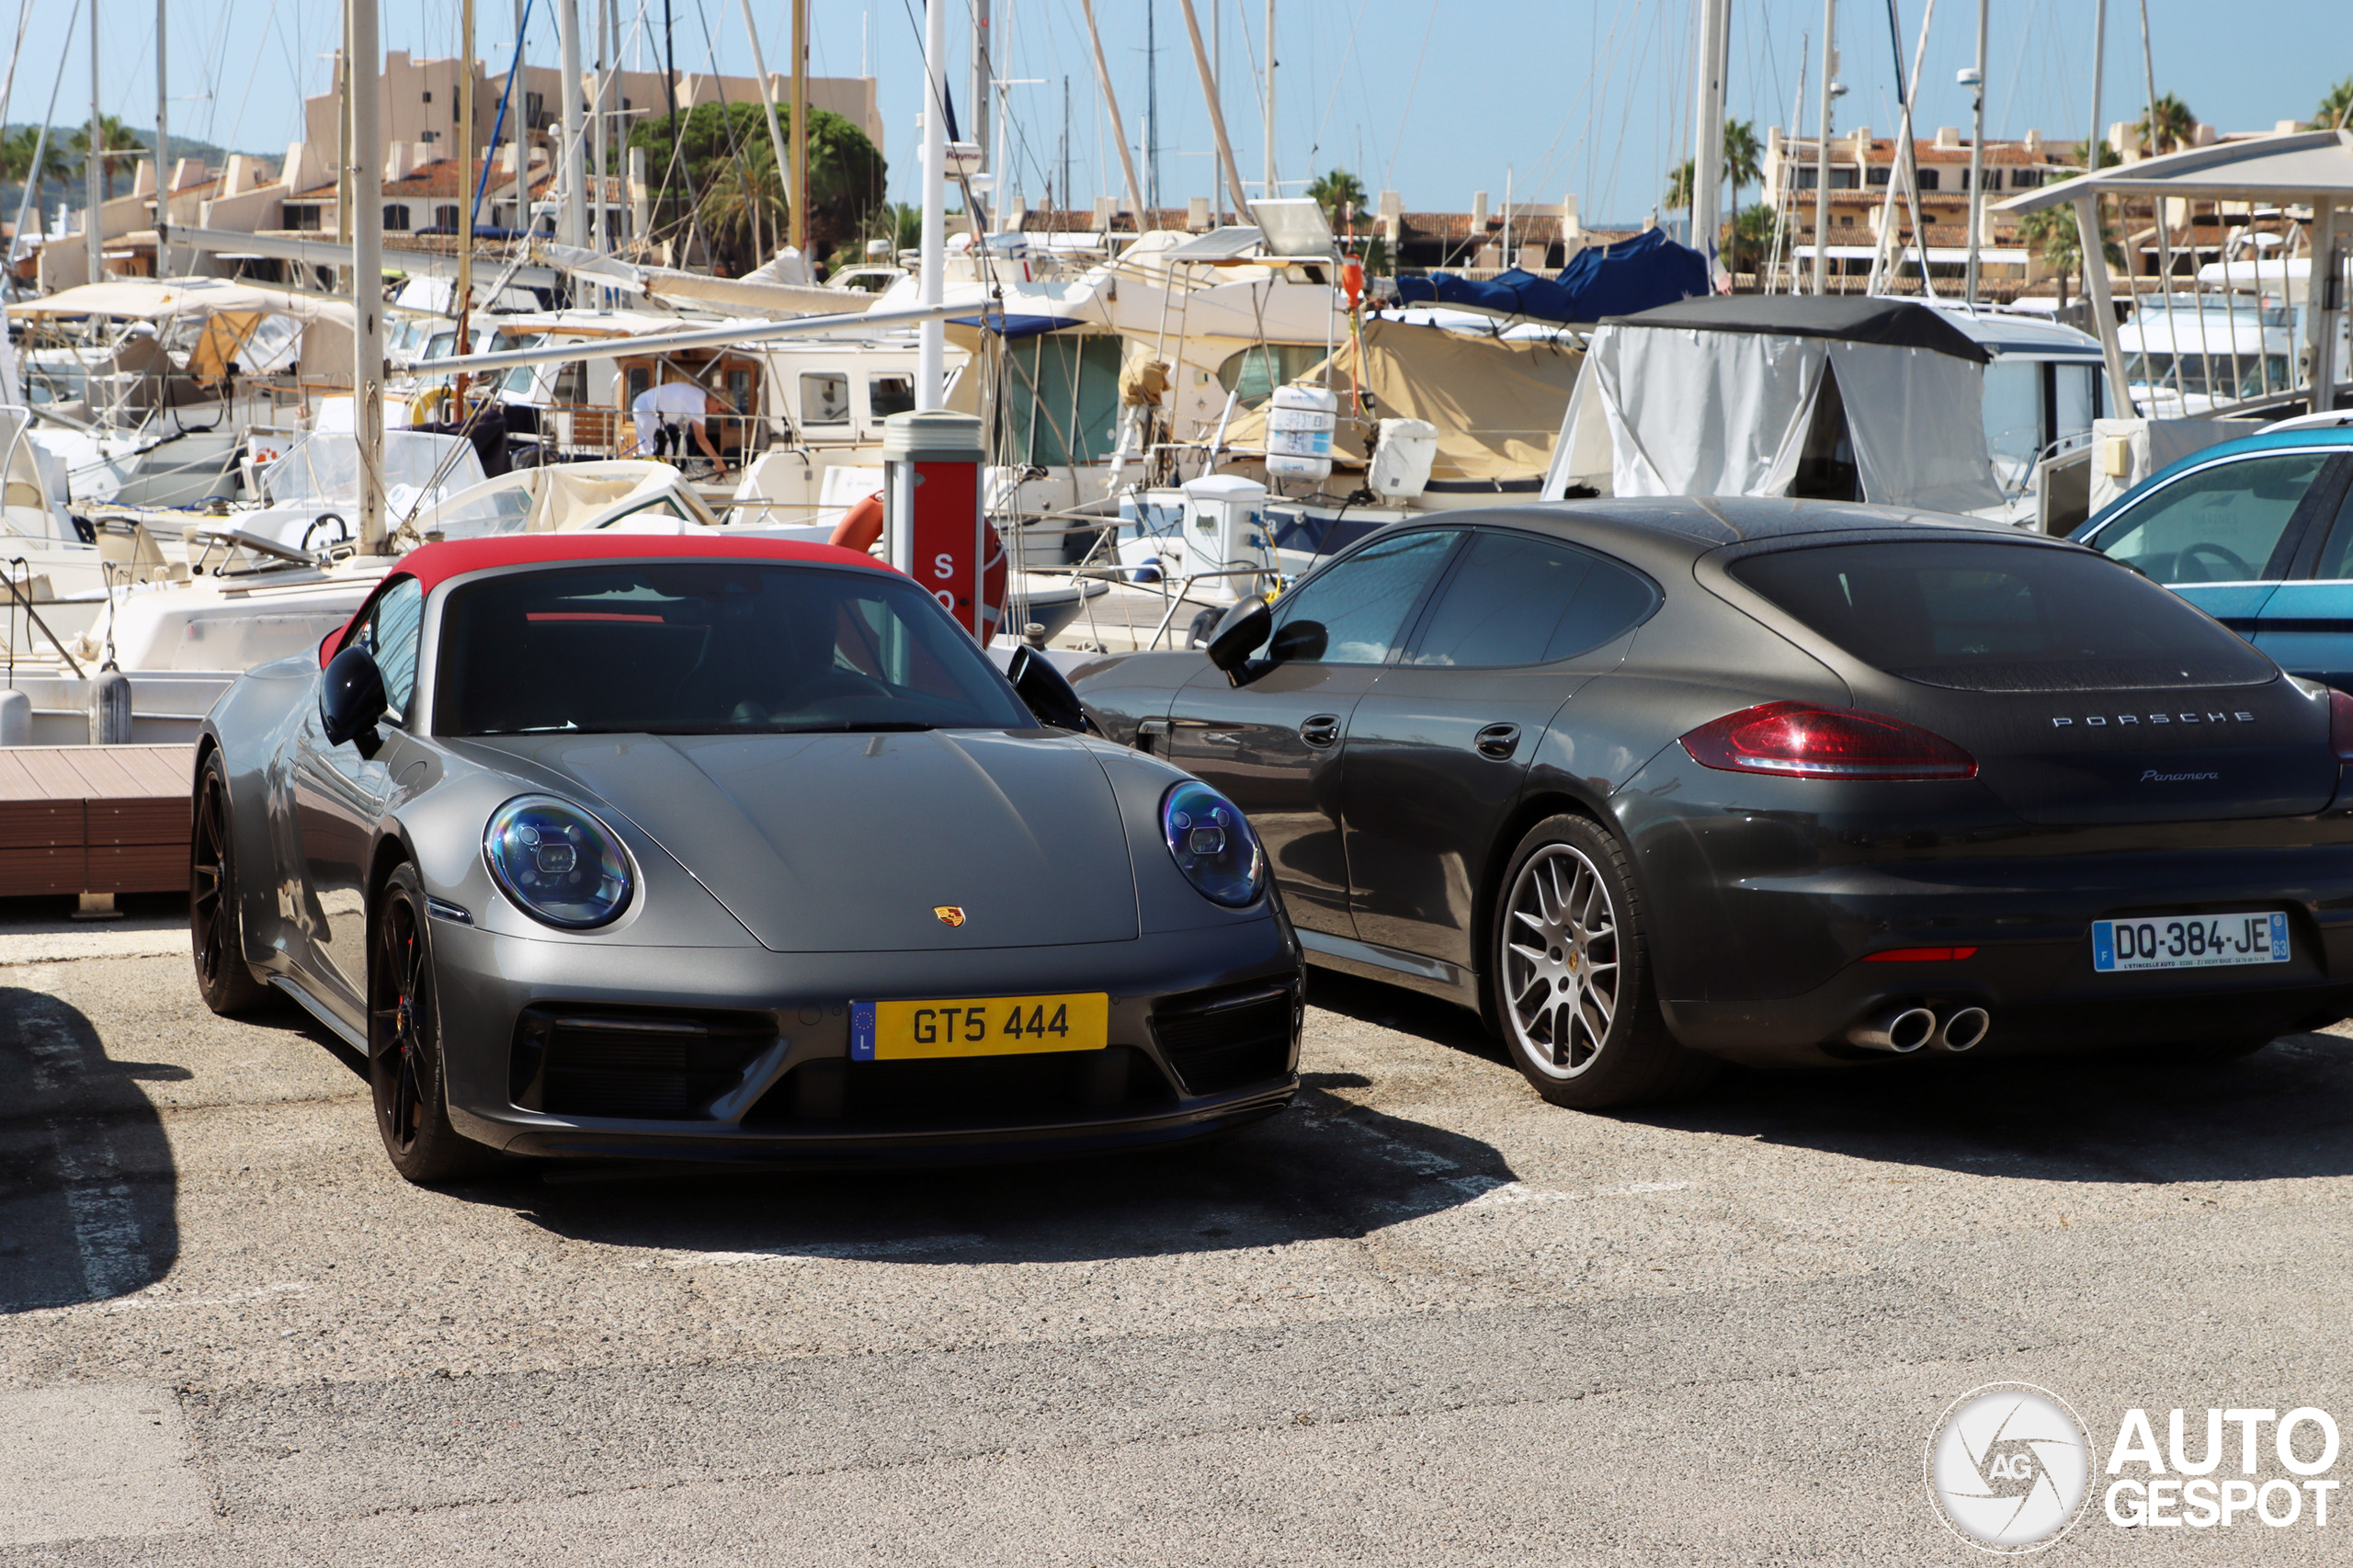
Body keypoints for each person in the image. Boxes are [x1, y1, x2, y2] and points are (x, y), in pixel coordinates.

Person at [630, 379, 730, 476]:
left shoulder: (697, 395)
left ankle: (661, 479)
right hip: (647, 409)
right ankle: (651, 480)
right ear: (714, 399)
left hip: (647, 407)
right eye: (720, 409)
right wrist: (719, 463)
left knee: (666, 451)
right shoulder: (698, 403)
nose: (718, 413)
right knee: (658, 450)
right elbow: (701, 439)